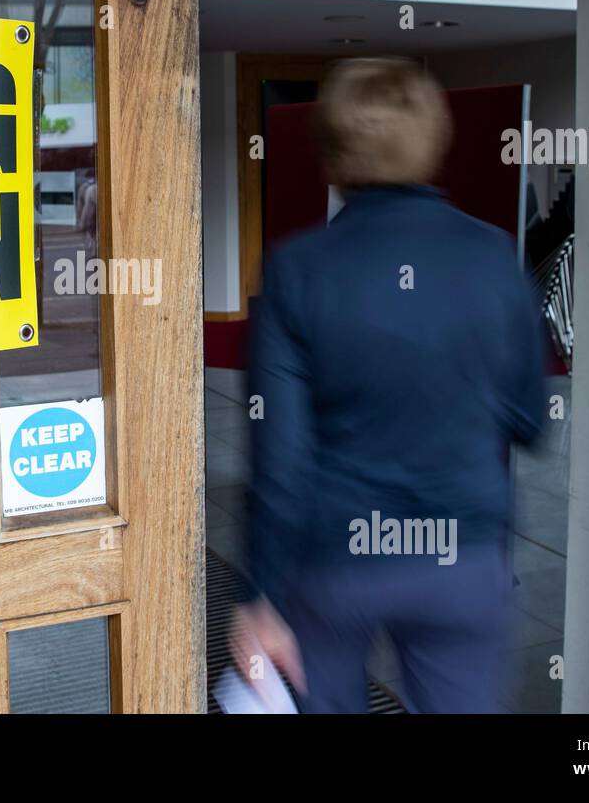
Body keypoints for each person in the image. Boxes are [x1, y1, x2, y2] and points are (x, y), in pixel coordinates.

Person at [230, 58, 546, 713]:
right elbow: (530, 421)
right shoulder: (495, 258)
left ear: (332, 152)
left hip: (335, 564)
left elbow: (281, 463)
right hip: (463, 558)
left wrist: (260, 597)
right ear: (432, 139)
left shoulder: (297, 268)